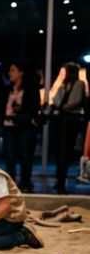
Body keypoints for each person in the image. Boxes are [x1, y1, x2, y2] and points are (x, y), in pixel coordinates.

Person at [1, 62, 41, 193]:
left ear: (21, 72)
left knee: (25, 155)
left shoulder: (31, 88)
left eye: (13, 70)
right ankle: (10, 184)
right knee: (10, 155)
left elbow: (35, 106)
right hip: (8, 125)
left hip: (25, 125)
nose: (10, 73)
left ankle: (25, 183)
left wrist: (20, 109)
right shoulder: (7, 89)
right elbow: (1, 106)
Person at [50, 62, 86, 194]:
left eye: (71, 72)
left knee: (66, 151)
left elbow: (76, 102)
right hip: (61, 121)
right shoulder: (63, 86)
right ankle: (59, 179)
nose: (69, 75)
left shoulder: (79, 85)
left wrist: (66, 106)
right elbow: (57, 101)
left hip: (71, 122)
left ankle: (62, 179)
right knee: (59, 151)